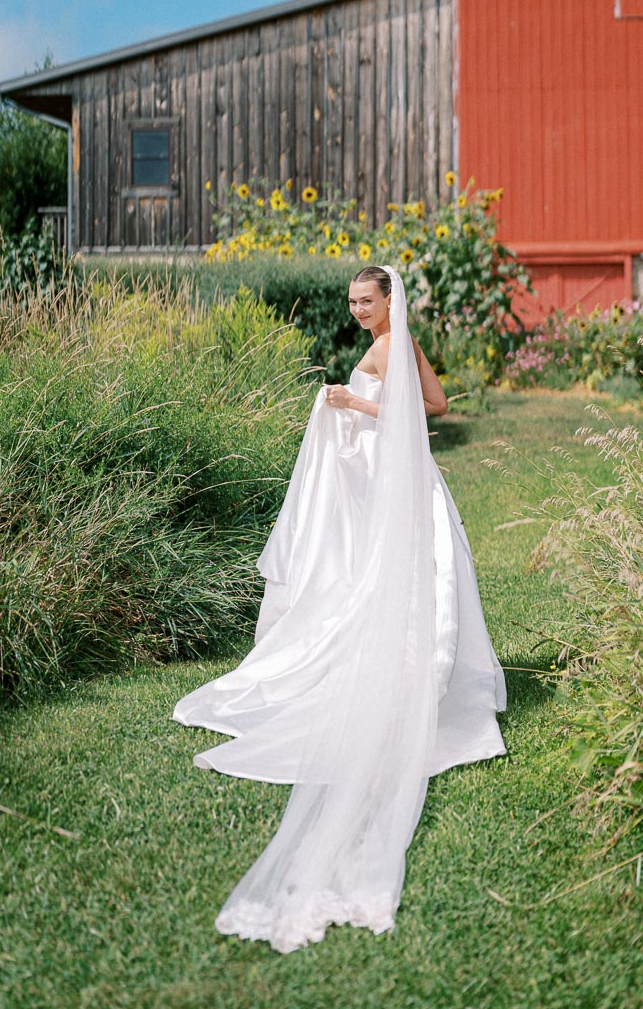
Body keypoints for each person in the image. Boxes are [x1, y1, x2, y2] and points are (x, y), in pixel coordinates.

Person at [173, 264, 507, 952]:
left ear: (389, 300)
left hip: (400, 484)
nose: (357, 310)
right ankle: (409, 669)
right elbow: (436, 401)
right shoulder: (399, 343)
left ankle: (407, 679)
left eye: (366, 300)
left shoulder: (390, 346)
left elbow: (426, 410)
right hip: (393, 483)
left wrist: (353, 407)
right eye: (351, 301)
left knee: (400, 587)